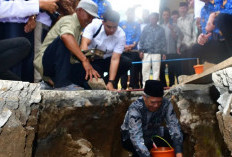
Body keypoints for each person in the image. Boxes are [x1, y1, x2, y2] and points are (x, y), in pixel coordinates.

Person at [34, 0, 99, 89]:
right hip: (45, 64)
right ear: (79, 10)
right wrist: (84, 60)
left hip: (58, 66)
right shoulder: (69, 20)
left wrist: (86, 60)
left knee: (93, 67)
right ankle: (62, 84)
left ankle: (61, 83)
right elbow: (66, 36)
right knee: (64, 40)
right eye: (89, 16)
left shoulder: (78, 28)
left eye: (92, 18)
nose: (90, 20)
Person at [121, 80, 183, 157]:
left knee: (178, 137)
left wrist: (178, 151)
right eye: (153, 102)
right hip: (131, 137)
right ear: (144, 97)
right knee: (145, 145)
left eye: (159, 102)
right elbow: (136, 138)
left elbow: (174, 126)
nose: (156, 105)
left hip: (153, 132)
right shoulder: (135, 108)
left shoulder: (166, 104)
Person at [78, 9, 131, 90]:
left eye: (115, 27)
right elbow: (84, 44)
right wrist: (87, 64)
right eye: (109, 27)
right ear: (103, 23)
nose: (112, 30)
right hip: (91, 59)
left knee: (125, 62)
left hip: (107, 60)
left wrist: (111, 81)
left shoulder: (121, 35)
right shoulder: (94, 24)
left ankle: (109, 84)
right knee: (91, 83)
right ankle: (99, 83)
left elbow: (115, 59)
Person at [139, 13, 166, 88]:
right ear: (149, 19)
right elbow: (142, 39)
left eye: (155, 18)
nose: (153, 19)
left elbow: (163, 41)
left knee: (156, 71)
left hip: (157, 52)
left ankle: (155, 87)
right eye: (151, 18)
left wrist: (164, 53)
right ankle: (145, 86)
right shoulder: (146, 28)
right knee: (145, 70)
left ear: (157, 19)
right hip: (146, 52)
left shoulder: (161, 29)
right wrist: (141, 51)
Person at [160, 8, 182, 87]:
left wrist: (172, 29)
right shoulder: (160, 27)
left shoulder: (174, 25)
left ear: (170, 16)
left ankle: (173, 86)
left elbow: (177, 38)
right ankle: (164, 87)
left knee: (172, 71)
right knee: (161, 71)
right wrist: (162, 52)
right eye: (164, 15)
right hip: (162, 52)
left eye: (167, 15)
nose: (166, 16)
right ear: (162, 16)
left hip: (172, 52)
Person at [119, 8, 141, 89]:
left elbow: (138, 35)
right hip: (123, 50)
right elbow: (118, 35)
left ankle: (133, 86)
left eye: (132, 13)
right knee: (123, 67)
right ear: (126, 14)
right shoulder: (121, 23)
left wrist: (132, 45)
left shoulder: (137, 24)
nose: (130, 15)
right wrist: (124, 45)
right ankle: (123, 86)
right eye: (129, 13)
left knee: (134, 69)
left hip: (134, 50)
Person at [177, 2, 197, 75]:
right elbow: (179, 35)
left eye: (184, 8)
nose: (182, 10)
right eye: (181, 8)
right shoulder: (178, 20)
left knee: (192, 66)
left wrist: (193, 43)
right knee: (184, 67)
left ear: (187, 8)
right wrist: (178, 46)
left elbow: (195, 31)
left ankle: (193, 84)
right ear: (179, 9)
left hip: (191, 45)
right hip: (182, 46)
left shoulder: (192, 17)